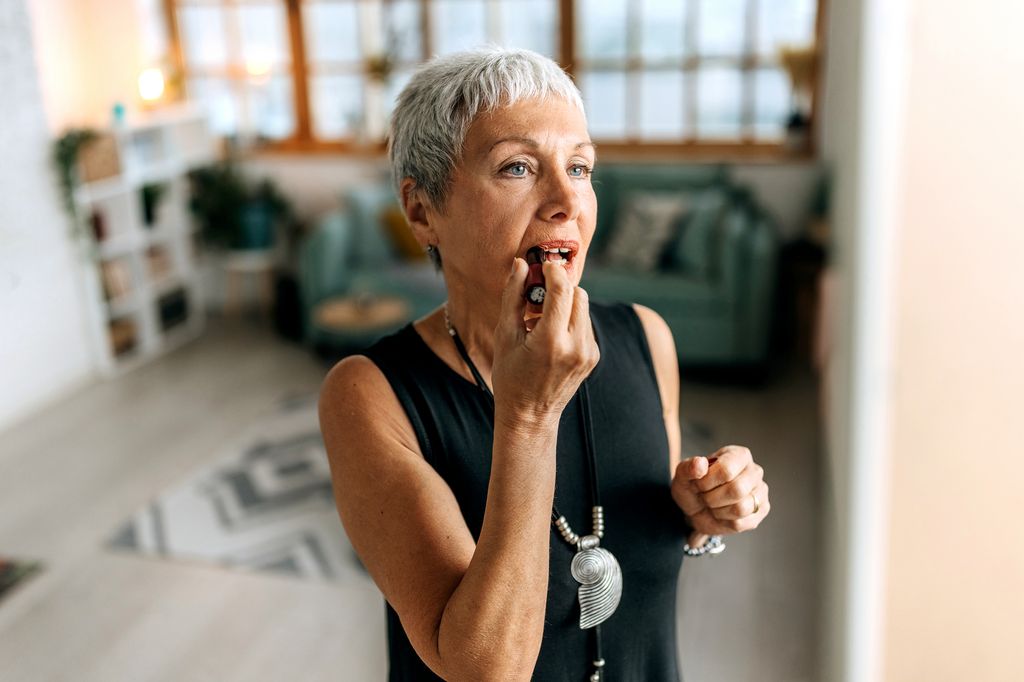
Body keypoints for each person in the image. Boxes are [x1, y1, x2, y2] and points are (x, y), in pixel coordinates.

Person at [318, 47, 771, 682]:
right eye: (518, 167)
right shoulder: (368, 394)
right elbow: (485, 669)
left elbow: (641, 544)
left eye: (580, 167)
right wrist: (529, 416)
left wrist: (700, 516)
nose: (566, 201)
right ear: (422, 211)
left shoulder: (646, 337)